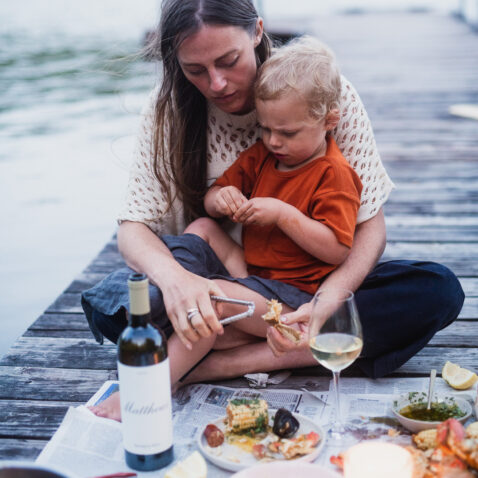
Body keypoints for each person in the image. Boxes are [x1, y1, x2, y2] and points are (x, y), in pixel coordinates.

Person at [83, 0, 464, 420]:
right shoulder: (169, 109)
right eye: (195, 70)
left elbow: (367, 228)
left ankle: (224, 360)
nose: (217, 83)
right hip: (221, 278)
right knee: (129, 299)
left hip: (306, 287)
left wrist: (327, 301)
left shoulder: (321, 96)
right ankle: (245, 336)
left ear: (258, 32)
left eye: (229, 60)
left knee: (435, 289)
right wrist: (177, 283)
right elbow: (133, 230)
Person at [187, 36, 362, 299]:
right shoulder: (262, 156)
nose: (273, 141)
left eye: (288, 133)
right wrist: (221, 199)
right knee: (202, 227)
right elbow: (212, 200)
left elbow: (337, 249)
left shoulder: (333, 172)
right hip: (250, 271)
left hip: (295, 291)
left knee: (214, 299)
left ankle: (185, 309)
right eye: (265, 129)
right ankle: (177, 284)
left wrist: (283, 215)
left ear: (329, 120)